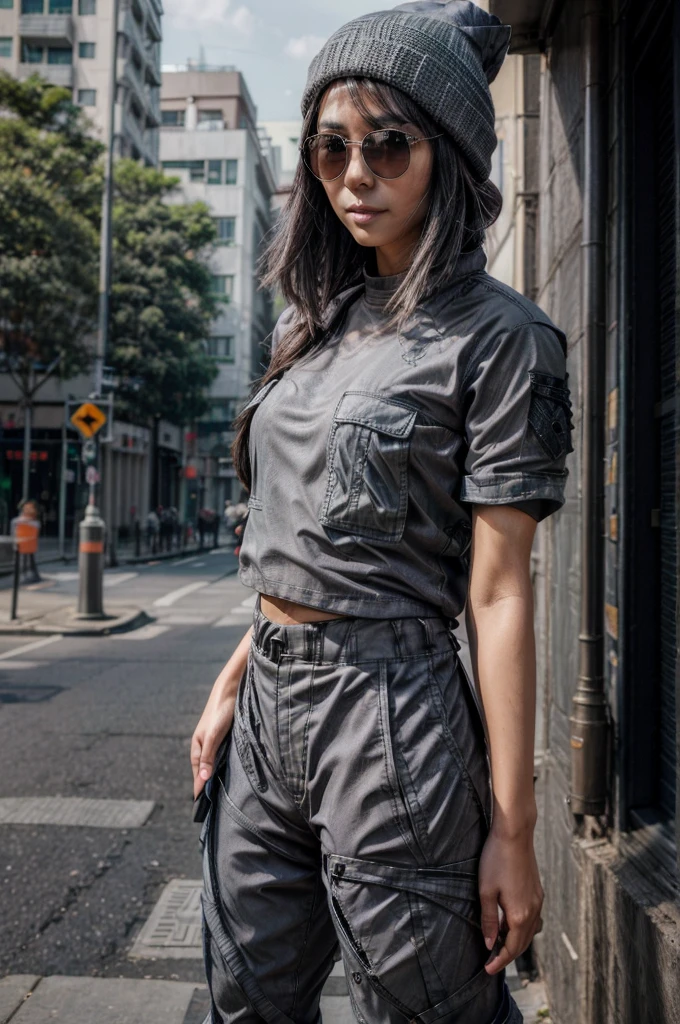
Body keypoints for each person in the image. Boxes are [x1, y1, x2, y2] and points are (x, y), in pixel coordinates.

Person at [191, 4, 575, 1022]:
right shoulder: (306, 321)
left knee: (419, 1004)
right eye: (329, 147)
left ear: (445, 153)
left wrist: (511, 828)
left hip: (390, 709)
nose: (353, 173)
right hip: (267, 706)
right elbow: (304, 532)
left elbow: (496, 599)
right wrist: (237, 677)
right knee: (244, 995)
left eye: (386, 144)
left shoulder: (501, 340)